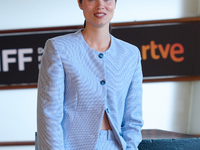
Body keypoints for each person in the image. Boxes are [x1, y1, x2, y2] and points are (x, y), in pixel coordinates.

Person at [37, 0, 143, 149]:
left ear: (115, 3)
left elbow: (133, 118)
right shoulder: (59, 48)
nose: (100, 5)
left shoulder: (131, 54)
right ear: (80, 3)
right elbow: (49, 116)